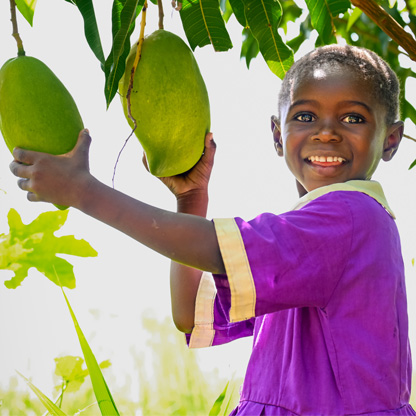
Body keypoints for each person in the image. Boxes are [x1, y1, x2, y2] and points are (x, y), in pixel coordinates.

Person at [9, 44, 415, 415]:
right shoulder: (311, 243)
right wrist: (191, 199)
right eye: (305, 116)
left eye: (353, 118)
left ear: (391, 140)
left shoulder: (349, 217)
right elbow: (189, 314)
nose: (326, 131)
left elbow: (215, 250)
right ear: (278, 135)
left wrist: (85, 192)